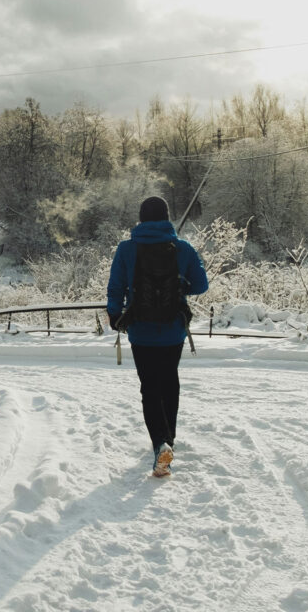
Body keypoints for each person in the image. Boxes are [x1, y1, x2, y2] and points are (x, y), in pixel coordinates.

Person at [106, 196, 208, 477]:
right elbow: (201, 285)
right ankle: (169, 440)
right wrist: (180, 280)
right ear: (166, 218)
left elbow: (115, 288)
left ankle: (160, 443)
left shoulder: (127, 249)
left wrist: (115, 315)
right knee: (169, 382)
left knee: (149, 387)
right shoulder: (182, 248)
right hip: (173, 330)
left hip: (140, 331)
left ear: (140, 219)